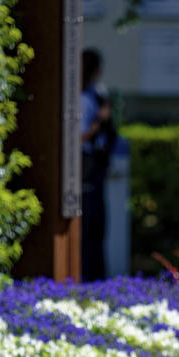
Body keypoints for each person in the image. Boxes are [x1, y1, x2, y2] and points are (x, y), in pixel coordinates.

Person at [81, 49, 115, 282]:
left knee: (96, 225)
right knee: (90, 223)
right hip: (86, 166)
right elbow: (80, 136)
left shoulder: (95, 94)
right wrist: (99, 121)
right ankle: (91, 275)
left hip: (95, 166)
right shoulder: (85, 98)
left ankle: (95, 275)